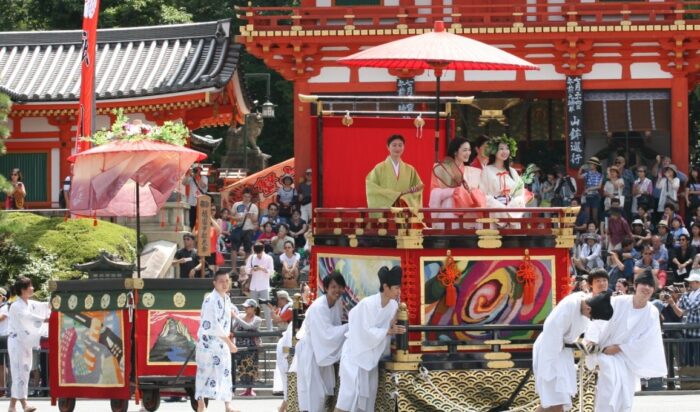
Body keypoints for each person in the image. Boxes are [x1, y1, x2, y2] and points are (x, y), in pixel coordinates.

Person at [587, 269, 667, 412]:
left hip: (628, 357)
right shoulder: (618, 302)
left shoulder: (652, 312)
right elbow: (598, 320)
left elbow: (647, 340)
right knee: (608, 389)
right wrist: (592, 341)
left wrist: (620, 348)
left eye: (650, 286)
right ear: (635, 286)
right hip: (605, 352)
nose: (646, 288)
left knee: (625, 396)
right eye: (643, 284)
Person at [335, 266, 406, 412]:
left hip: (370, 356)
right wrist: (388, 331)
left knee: (367, 398)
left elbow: (389, 326)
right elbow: (363, 331)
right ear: (385, 287)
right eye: (396, 288)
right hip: (355, 354)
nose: (399, 291)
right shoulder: (367, 304)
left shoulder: (393, 305)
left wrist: (396, 320)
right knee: (349, 396)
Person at [532, 290, 613, 412]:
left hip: (563, 354)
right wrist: (548, 368)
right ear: (588, 309)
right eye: (590, 317)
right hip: (548, 351)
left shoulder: (585, 302)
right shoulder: (569, 306)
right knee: (555, 401)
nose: (589, 319)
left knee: (558, 402)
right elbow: (551, 336)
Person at [292, 272, 349, 412]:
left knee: (320, 395)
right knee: (313, 393)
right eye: (333, 287)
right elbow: (327, 334)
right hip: (311, 351)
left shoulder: (337, 303)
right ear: (326, 288)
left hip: (322, 351)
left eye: (340, 287)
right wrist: (350, 326)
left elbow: (333, 330)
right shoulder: (318, 307)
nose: (337, 290)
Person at [194, 271, 238, 412]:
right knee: (204, 373)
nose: (225, 284)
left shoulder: (226, 298)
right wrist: (230, 343)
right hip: (208, 343)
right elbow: (213, 325)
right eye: (221, 281)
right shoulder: (210, 299)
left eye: (227, 281)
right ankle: (201, 403)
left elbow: (226, 320)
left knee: (225, 372)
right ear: (214, 283)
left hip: (222, 343)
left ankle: (228, 404)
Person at [7, 277, 49, 412]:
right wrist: (44, 319)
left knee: (23, 372)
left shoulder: (29, 303)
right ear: (22, 290)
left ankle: (12, 406)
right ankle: (24, 404)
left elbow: (44, 306)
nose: (32, 288)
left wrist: (56, 300)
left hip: (25, 342)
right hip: (16, 341)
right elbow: (28, 317)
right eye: (30, 286)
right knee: (19, 372)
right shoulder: (16, 305)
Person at [429, 137, 484, 228]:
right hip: (448, 210)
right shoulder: (441, 169)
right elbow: (434, 192)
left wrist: (471, 191)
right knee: (451, 199)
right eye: (465, 150)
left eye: (469, 150)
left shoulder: (471, 171)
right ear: (455, 152)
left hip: (467, 213)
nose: (468, 153)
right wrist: (452, 191)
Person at [365, 134, 423, 209]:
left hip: (404, 208)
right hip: (387, 209)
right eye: (394, 145)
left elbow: (419, 186)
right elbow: (371, 187)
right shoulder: (379, 168)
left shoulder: (410, 169)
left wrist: (408, 196)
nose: (397, 148)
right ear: (388, 147)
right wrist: (392, 196)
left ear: (404, 147)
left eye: (400, 145)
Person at [479, 135, 526, 223]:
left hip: (512, 215)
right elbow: (482, 194)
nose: (505, 151)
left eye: (507, 148)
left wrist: (512, 205)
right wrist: (500, 207)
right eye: (501, 148)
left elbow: (520, 193)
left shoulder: (513, 172)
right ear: (494, 151)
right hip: (493, 215)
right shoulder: (487, 170)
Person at [666, 270, 700, 366]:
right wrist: (672, 302)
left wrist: (683, 295)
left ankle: (697, 380)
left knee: (698, 360)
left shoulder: (687, 295)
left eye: (691, 282)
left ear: (698, 283)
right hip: (688, 332)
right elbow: (679, 312)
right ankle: (688, 380)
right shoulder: (689, 294)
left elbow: (690, 307)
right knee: (688, 360)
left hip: (698, 333)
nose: (689, 284)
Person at [233, 299, 263, 397]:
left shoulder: (257, 319)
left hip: (251, 346)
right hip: (239, 345)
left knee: (251, 367)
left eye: (248, 307)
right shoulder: (241, 316)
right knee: (241, 367)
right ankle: (245, 388)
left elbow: (248, 326)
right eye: (245, 307)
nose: (245, 308)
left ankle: (250, 389)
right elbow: (233, 328)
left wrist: (235, 317)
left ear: (253, 308)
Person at [245, 242, 274, 330]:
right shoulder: (251, 257)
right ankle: (255, 328)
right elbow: (247, 270)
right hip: (253, 286)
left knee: (266, 308)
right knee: (254, 308)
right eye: (257, 252)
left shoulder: (269, 258)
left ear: (263, 249)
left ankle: (270, 328)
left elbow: (272, 272)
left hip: (264, 286)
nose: (258, 254)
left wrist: (262, 269)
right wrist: (252, 269)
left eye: (260, 252)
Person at [231, 189, 259, 257]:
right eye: (245, 196)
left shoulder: (254, 206)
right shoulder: (236, 204)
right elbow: (231, 216)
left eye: (248, 197)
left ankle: (247, 266)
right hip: (237, 228)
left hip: (248, 230)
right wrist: (238, 218)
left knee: (248, 249)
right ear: (242, 196)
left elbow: (255, 220)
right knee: (234, 249)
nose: (246, 198)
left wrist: (250, 216)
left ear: (251, 197)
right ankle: (234, 268)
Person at [578, 156, 603, 226]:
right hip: (587, 196)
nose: (590, 165)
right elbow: (579, 177)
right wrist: (581, 168)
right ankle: (587, 231)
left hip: (595, 196)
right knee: (587, 216)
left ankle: (596, 230)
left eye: (591, 164)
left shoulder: (600, 175)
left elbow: (599, 186)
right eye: (590, 164)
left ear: (595, 165)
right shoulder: (587, 173)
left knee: (595, 216)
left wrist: (589, 189)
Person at [0, 288, 9, 395]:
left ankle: (3, 388)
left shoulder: (5, 307)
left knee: (3, 364)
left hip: (3, 337)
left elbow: (1, 318)